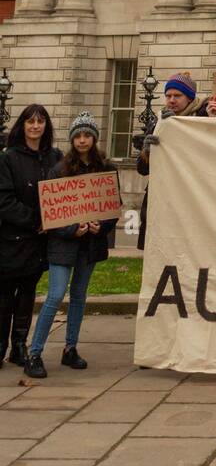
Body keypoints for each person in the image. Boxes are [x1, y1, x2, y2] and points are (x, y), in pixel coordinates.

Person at [24, 113, 119, 379]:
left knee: (79, 296)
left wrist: (103, 226)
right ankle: (35, 353)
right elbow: (51, 212)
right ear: (72, 140)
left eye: (87, 135)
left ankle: (70, 348)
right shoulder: (59, 169)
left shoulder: (106, 169)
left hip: (90, 245)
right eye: (78, 136)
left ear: (94, 138)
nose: (82, 140)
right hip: (63, 245)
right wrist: (71, 229)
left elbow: (112, 206)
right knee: (55, 296)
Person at [0, 104, 62, 367]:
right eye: (30, 121)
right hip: (13, 239)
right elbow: (4, 200)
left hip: (40, 241)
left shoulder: (54, 157)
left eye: (40, 121)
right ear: (22, 125)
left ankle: (19, 347)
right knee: (4, 297)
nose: (35, 126)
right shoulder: (8, 158)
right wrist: (36, 220)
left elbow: (63, 192)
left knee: (27, 295)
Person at [135, 73, 216, 250]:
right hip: (163, 197)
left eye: (177, 96)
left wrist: (214, 122)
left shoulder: (204, 117)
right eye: (168, 96)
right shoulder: (159, 121)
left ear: (189, 98)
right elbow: (142, 169)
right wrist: (147, 151)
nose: (171, 100)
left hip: (193, 197)